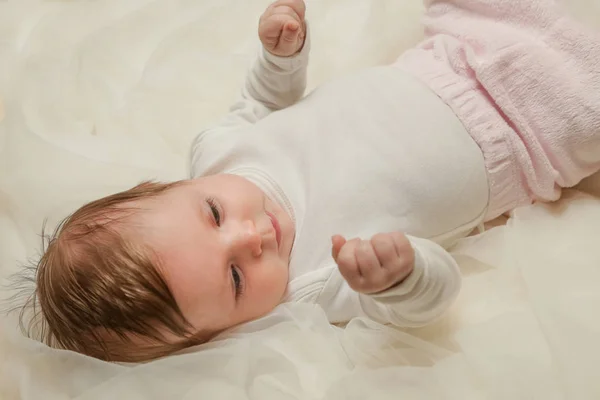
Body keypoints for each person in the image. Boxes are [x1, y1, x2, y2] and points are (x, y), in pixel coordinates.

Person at [18, 0, 600, 362]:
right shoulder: (321, 283)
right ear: (226, 331)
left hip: (446, 55)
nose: (250, 237)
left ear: (172, 185)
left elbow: (261, 100)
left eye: (214, 215)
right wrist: (401, 277)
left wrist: (280, 56)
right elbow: (436, 297)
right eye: (237, 278)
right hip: (529, 136)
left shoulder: (220, 150)